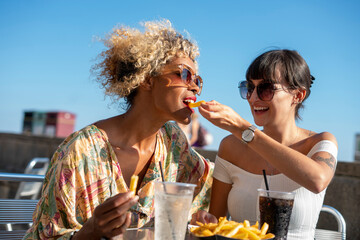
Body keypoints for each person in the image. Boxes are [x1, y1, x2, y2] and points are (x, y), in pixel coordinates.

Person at [24, 19, 213, 240]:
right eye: (184, 74)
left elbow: (219, 179)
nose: (194, 87)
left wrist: (242, 131)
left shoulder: (173, 142)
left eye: (198, 81)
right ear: (146, 79)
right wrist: (91, 232)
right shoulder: (82, 151)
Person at [192, 49, 338, 240]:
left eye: (266, 88)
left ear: (298, 95)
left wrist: (242, 129)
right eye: (249, 88)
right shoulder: (230, 147)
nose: (253, 98)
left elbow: (317, 180)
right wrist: (205, 221)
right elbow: (216, 222)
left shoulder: (320, 142)